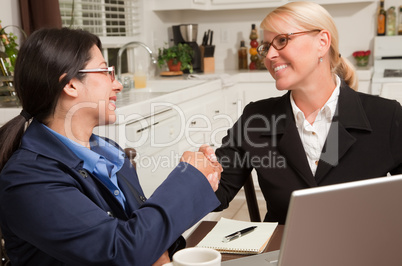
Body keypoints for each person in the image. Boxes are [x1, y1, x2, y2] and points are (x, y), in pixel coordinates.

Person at [0, 28, 222, 266]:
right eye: (106, 71)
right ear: (71, 84)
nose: (117, 84)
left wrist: (198, 181)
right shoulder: (28, 179)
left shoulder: (108, 152)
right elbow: (121, 252)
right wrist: (188, 180)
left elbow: (139, 233)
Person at [214, 1, 402, 225]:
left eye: (282, 40)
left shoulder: (387, 117)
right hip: (283, 254)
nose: (269, 56)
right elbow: (216, 189)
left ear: (322, 43)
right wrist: (193, 172)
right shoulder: (256, 119)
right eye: (266, 47)